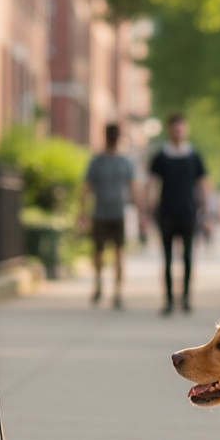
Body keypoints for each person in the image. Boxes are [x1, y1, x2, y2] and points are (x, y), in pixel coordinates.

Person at [148, 113, 210, 314]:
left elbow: (202, 184)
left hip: (188, 213)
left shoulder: (194, 156)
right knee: (166, 259)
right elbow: (152, 184)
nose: (178, 131)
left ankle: (185, 298)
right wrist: (148, 208)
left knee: (188, 257)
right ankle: (168, 299)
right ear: (169, 130)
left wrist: (206, 209)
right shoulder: (161, 157)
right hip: (166, 213)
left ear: (186, 129)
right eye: (175, 128)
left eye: (181, 128)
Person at [81, 122, 137, 309]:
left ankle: (118, 291)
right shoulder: (97, 161)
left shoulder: (124, 161)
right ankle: (98, 283)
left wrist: (140, 208)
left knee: (119, 253)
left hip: (118, 213)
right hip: (100, 213)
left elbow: (133, 186)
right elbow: (86, 187)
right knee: (98, 253)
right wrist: (82, 212)